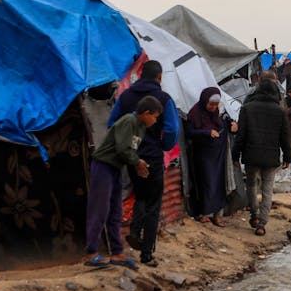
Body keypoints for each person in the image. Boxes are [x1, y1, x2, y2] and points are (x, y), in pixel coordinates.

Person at [108, 60, 179, 267]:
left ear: (140, 75)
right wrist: (163, 145)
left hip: (132, 154)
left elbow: (112, 123)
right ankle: (147, 253)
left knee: (140, 194)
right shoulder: (164, 99)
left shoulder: (126, 96)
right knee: (153, 202)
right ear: (159, 77)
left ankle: (133, 232)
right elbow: (172, 129)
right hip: (153, 155)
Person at [84, 96, 162, 271]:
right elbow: (123, 149)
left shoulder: (141, 128)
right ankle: (91, 252)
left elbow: (129, 151)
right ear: (146, 113)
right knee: (100, 209)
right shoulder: (129, 121)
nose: (155, 121)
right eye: (155, 116)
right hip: (103, 166)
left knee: (115, 211)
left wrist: (137, 164)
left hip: (115, 168)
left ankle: (117, 252)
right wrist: (138, 162)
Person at [234, 77, 291, 236]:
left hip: (251, 154)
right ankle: (262, 223)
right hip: (271, 156)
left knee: (251, 185)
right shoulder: (279, 111)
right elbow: (285, 136)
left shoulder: (247, 108)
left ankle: (254, 215)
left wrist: (235, 154)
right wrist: (288, 156)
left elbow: (241, 135)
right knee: (267, 190)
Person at [186, 87, 238, 227]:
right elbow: (190, 132)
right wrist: (206, 132)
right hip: (203, 155)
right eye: (211, 104)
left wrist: (232, 124)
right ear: (204, 101)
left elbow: (226, 123)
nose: (213, 107)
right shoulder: (194, 113)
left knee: (219, 183)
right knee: (207, 182)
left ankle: (217, 215)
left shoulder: (218, 113)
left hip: (219, 155)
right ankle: (205, 213)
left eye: (216, 105)